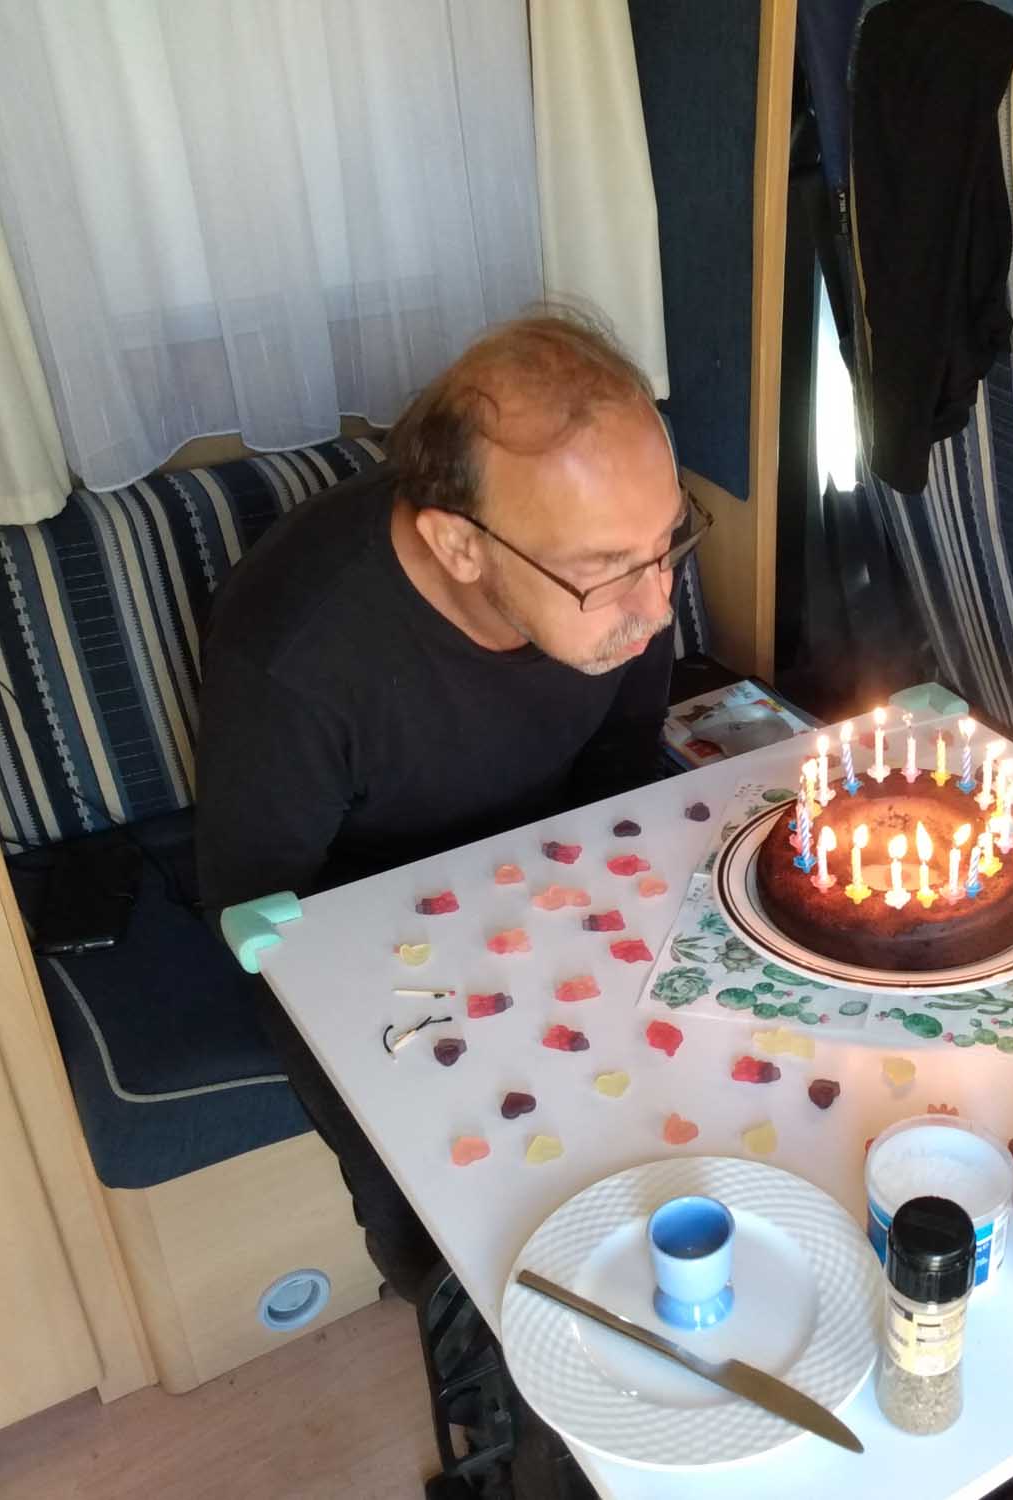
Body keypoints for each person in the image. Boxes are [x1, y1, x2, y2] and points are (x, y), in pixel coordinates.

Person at [197, 311, 703, 1301]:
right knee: (446, 1213)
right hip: (358, 916)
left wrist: (596, 924)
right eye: (605, 568)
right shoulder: (293, 652)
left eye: (668, 544)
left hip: (551, 848)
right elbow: (261, 916)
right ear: (457, 546)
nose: (655, 603)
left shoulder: (626, 586)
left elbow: (618, 758)